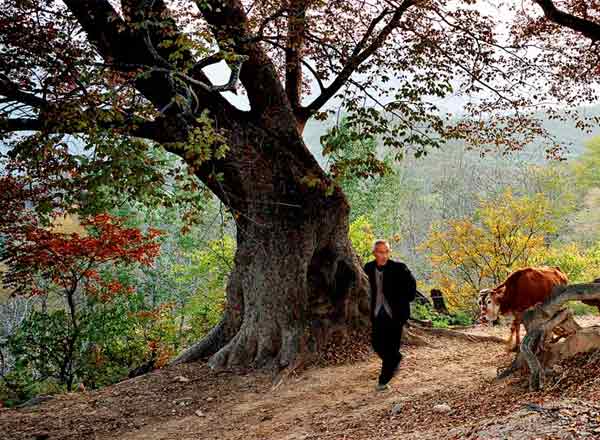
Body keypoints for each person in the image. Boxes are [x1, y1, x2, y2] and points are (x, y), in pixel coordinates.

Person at [363, 239, 416, 391]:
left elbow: (412, 287)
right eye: (380, 252)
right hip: (377, 313)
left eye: (386, 252)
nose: (384, 255)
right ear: (374, 253)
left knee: (392, 347)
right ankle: (395, 359)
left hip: (395, 315)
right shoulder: (368, 267)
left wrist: (402, 300)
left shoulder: (399, 268)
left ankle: (383, 381)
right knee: (376, 343)